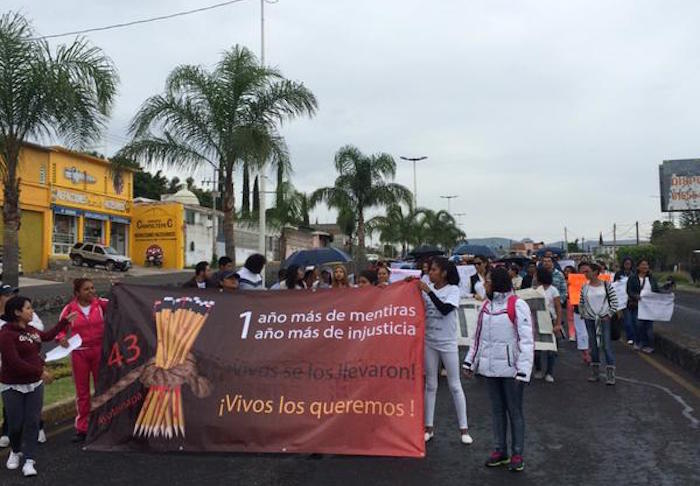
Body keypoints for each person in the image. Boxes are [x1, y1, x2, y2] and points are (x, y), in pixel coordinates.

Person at [463, 267, 533, 472]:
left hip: (512, 372)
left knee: (515, 411)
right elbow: (477, 338)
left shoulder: (517, 305)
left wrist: (523, 370)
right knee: (497, 412)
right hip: (491, 370)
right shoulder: (486, 306)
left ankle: (517, 453)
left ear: (497, 283)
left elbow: (526, 341)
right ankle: (500, 451)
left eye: (488, 281)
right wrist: (470, 362)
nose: (484, 284)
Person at [0, 296, 77, 476]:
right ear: (17, 312)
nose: (32, 311)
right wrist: (40, 372)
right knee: (15, 425)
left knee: (33, 422)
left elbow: (48, 336)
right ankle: (15, 450)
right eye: (28, 308)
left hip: (34, 384)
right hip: (12, 385)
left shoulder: (32, 330)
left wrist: (65, 322)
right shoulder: (5, 335)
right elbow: (13, 362)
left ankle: (29, 460)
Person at [414, 257, 472, 446]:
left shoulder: (453, 290)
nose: (430, 273)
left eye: (434, 270)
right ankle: (428, 427)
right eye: (429, 270)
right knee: (431, 385)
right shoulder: (427, 290)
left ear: (444, 273)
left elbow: (445, 309)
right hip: (430, 342)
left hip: (447, 343)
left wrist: (428, 292)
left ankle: (463, 429)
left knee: (455, 385)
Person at [57, 278, 109, 442]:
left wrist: (118, 288)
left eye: (93, 288)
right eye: (86, 289)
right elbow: (60, 329)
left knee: (103, 389)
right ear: (77, 293)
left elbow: (119, 303)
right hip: (80, 353)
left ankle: (105, 423)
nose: (92, 291)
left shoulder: (100, 304)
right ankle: (82, 428)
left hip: (100, 351)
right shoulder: (69, 309)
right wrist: (61, 338)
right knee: (82, 393)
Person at [0, 285, 47, 448]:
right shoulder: (4, 329)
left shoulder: (26, 318)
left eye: (13, 294)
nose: (11, 297)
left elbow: (41, 331)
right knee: (12, 406)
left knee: (33, 404)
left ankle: (38, 429)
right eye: (7, 295)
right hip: (7, 370)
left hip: (29, 366)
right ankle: (9, 434)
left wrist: (24, 327)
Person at [580, 263, 619, 385]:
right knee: (593, 345)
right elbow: (581, 302)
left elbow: (614, 301)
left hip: (604, 319)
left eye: (588, 271)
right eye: (584, 272)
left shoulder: (607, 286)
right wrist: (584, 314)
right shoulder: (584, 287)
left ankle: (610, 374)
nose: (585, 274)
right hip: (590, 319)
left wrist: (609, 314)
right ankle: (595, 372)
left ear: (595, 272)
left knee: (606, 346)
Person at [533, 268, 563, 383]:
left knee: (551, 349)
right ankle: (539, 369)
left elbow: (558, 308)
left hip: (550, 320)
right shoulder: (535, 290)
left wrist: (558, 323)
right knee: (537, 348)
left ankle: (549, 372)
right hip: (536, 320)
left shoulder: (553, 290)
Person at [626, 259, 659, 354]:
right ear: (638, 267)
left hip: (649, 307)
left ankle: (648, 345)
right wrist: (636, 296)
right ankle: (638, 342)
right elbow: (629, 290)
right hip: (637, 305)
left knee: (649, 327)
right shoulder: (633, 278)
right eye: (643, 265)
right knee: (638, 325)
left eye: (647, 265)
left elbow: (656, 289)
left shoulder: (652, 279)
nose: (645, 267)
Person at [614, 257, 635, 345]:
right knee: (628, 321)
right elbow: (614, 285)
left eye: (629, 263)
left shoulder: (634, 274)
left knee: (635, 321)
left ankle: (634, 337)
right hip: (623, 301)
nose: (627, 265)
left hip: (633, 300)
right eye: (626, 263)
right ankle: (630, 337)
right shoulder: (619, 273)